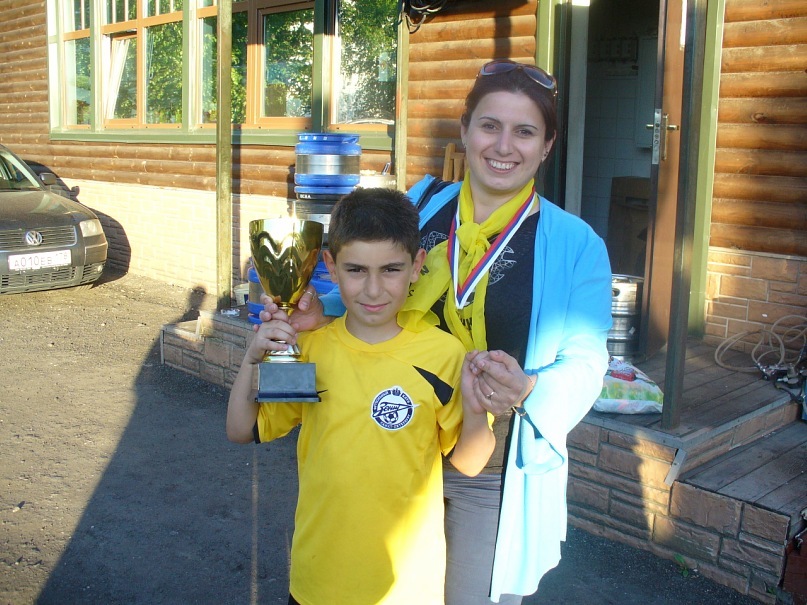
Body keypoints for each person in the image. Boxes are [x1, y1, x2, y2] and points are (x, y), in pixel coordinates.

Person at [284, 59, 613, 604]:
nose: (503, 146)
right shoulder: (420, 204)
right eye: (490, 125)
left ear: (547, 145)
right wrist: (322, 313)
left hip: (485, 464)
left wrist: (529, 388)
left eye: (524, 131)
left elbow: (586, 362)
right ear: (465, 130)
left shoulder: (576, 245)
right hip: (391, 435)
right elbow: (375, 285)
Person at [226, 187, 495, 605]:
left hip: (406, 588)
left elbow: (469, 462)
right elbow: (242, 430)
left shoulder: (443, 356)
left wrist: (476, 413)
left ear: (416, 265)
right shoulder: (310, 349)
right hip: (319, 581)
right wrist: (253, 356)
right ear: (331, 266)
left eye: (390, 269)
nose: (373, 289)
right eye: (356, 270)